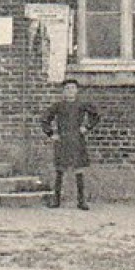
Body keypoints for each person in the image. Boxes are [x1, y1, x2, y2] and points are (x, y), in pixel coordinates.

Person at [40, 78, 100, 210]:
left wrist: (87, 127)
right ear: (63, 91)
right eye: (67, 88)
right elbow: (45, 119)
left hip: (77, 140)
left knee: (79, 170)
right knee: (60, 170)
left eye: (73, 88)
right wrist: (51, 134)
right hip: (62, 140)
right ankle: (56, 200)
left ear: (77, 91)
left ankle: (81, 201)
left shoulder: (82, 105)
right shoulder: (58, 106)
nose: (70, 91)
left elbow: (95, 115)